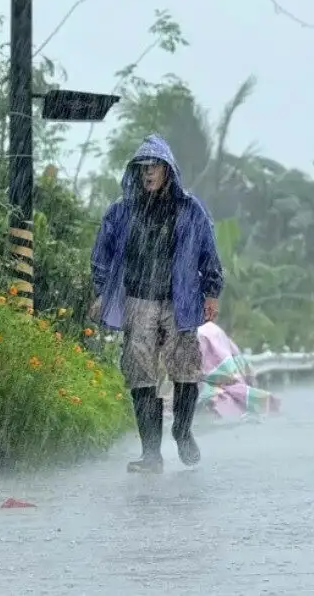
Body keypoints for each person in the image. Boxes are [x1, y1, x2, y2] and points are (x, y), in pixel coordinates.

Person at [90, 135, 224, 474]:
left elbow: (208, 251)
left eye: (154, 166)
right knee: (140, 373)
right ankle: (151, 453)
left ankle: (182, 431)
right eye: (143, 167)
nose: (148, 172)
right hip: (138, 300)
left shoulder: (189, 209)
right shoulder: (121, 211)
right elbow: (102, 254)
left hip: (180, 300)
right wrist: (102, 292)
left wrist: (211, 292)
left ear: (167, 170)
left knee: (186, 367)